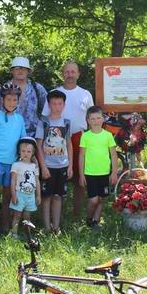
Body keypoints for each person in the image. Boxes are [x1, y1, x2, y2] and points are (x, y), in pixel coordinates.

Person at [41, 60, 94, 219]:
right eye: (67, 71)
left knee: (79, 178)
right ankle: (59, 217)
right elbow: (45, 119)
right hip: (56, 138)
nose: (70, 75)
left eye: (73, 72)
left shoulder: (85, 94)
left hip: (79, 138)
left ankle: (76, 215)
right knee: (57, 178)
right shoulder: (54, 94)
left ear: (78, 74)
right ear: (62, 73)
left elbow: (91, 118)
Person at [0, 82, 26, 241]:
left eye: (14, 100)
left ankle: (6, 225)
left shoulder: (19, 119)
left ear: (18, 101)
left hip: (13, 163)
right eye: (8, 99)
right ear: (2, 100)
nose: (11, 103)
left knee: (9, 194)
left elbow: (23, 141)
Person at [36, 90, 73, 232]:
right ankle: (46, 227)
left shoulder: (66, 123)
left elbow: (69, 144)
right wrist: (43, 166)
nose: (56, 106)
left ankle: (56, 227)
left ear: (64, 105)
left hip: (62, 165)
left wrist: (70, 165)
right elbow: (38, 145)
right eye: (53, 103)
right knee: (46, 197)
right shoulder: (43, 122)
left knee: (58, 197)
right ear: (49, 104)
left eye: (60, 103)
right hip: (48, 166)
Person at [78, 106, 119, 229]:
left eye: (98, 118)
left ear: (103, 119)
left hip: (105, 173)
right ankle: (89, 218)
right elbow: (81, 156)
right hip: (90, 173)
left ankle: (96, 221)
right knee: (94, 200)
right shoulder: (86, 136)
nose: (96, 121)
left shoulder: (108, 135)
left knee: (101, 199)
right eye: (93, 119)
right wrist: (81, 174)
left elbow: (113, 154)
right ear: (88, 121)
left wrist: (114, 173)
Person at [0, 56, 48, 137]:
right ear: (12, 71)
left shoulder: (37, 88)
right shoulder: (3, 89)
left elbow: (46, 111)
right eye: (17, 68)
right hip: (8, 135)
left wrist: (44, 133)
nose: (20, 71)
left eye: (23, 68)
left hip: (33, 136)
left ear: (28, 71)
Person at [10, 137, 41, 236]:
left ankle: (27, 234)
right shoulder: (16, 165)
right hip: (20, 194)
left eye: (28, 151)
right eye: (23, 151)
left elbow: (37, 181)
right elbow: (13, 181)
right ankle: (14, 233)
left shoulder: (34, 166)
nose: (26, 153)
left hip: (30, 195)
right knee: (17, 215)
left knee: (27, 216)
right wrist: (14, 195)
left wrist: (38, 195)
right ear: (19, 152)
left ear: (32, 153)